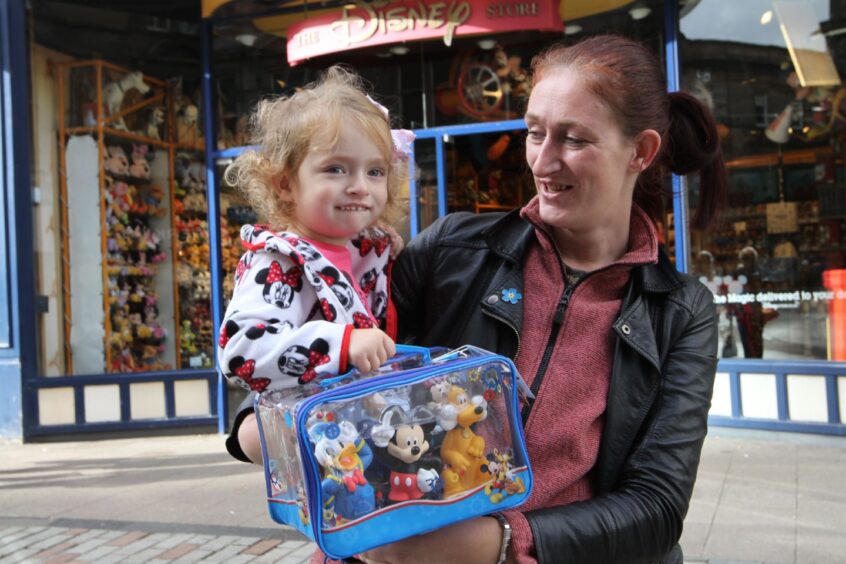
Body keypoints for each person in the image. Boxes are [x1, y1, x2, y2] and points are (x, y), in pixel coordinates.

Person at [363, 35, 726, 563]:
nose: (543, 160)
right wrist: (257, 427)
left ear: (640, 152)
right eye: (535, 133)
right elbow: (333, 348)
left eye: (574, 140)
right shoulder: (454, 250)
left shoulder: (679, 311)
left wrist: (503, 543)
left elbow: (658, 505)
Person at [219, 66, 410, 462]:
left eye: (375, 171)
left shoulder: (361, 251)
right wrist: (341, 344)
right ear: (284, 183)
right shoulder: (280, 262)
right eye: (336, 169)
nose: (359, 184)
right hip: (318, 437)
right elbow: (241, 349)